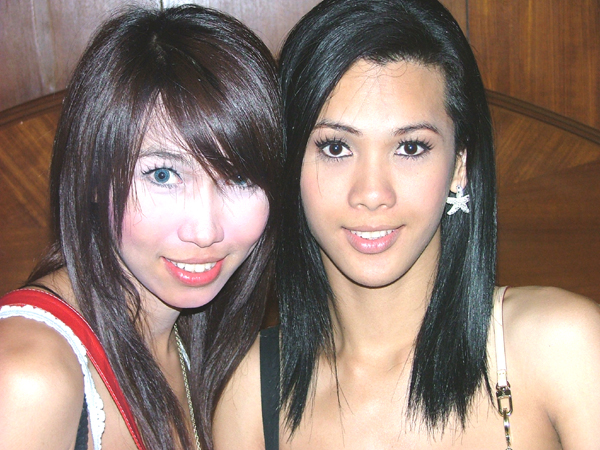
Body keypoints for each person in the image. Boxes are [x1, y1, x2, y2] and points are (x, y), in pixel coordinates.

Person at [214, 0, 600, 449]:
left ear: (460, 164)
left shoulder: (561, 347)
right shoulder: (249, 393)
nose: (372, 193)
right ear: (288, 161)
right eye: (336, 147)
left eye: (411, 148)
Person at [0, 4, 281, 450]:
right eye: (163, 175)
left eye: (240, 178)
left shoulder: (198, 346)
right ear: (93, 177)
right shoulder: (28, 375)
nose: (205, 231)